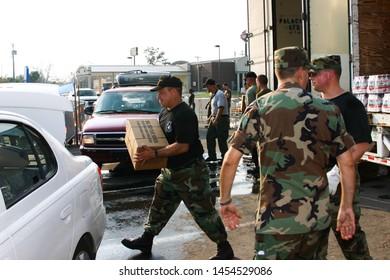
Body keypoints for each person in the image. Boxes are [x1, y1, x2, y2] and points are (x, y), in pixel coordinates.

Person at [217, 46, 357, 260]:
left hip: (274, 224)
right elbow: (347, 163)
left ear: (277, 72)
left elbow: (230, 160)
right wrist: (346, 206)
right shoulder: (328, 109)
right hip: (315, 221)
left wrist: (225, 201)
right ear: (301, 72)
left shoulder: (259, 108)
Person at [121, 75, 234, 260]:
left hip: (191, 173)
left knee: (203, 212)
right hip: (170, 171)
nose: (158, 97)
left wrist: (154, 154)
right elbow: (162, 141)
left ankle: (224, 248)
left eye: (162, 93)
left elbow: (183, 146)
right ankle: (146, 239)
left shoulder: (185, 114)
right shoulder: (164, 113)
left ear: (173, 91)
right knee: (159, 206)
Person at [310, 55, 373, 260]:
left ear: (329, 74)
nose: (310, 77)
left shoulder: (350, 105)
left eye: (314, 73)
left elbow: (362, 144)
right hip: (319, 183)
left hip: (340, 185)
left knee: (350, 240)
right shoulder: (318, 104)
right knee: (315, 242)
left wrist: (336, 172)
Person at [204, 78, 230, 162]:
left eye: (207, 86)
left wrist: (216, 119)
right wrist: (211, 117)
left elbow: (221, 107)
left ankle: (225, 157)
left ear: (212, 86)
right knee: (210, 137)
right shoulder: (214, 95)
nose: (207, 88)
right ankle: (212, 156)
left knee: (221, 139)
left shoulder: (219, 94)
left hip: (221, 119)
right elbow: (215, 109)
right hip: (215, 118)